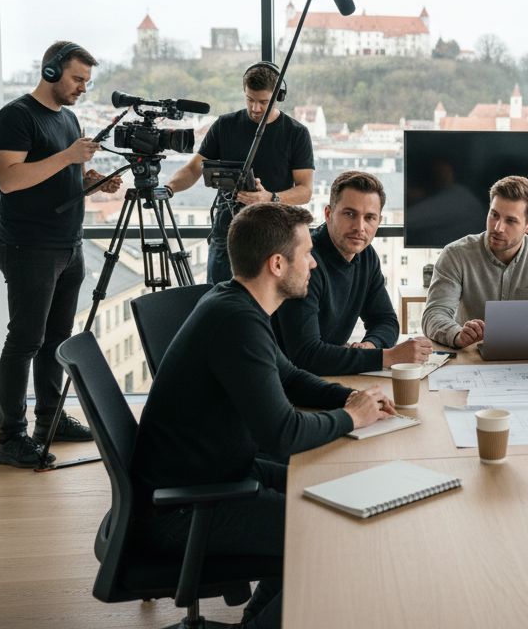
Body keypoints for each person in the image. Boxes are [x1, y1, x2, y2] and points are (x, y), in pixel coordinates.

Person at [131, 202, 393, 629]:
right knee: (330, 531)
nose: (313, 262)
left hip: (216, 472)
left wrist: (351, 398)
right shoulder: (237, 322)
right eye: (307, 253)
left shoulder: (234, 300)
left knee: (329, 494)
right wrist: (353, 419)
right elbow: (283, 434)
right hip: (181, 509)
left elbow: (289, 376)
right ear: (277, 264)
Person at [0, 40, 122, 468]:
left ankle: (50, 420)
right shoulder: (15, 116)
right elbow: (9, 179)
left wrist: (94, 181)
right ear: (50, 72)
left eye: (87, 80)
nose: (83, 87)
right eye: (77, 78)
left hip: (68, 244)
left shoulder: (69, 117)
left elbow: (67, 175)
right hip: (28, 246)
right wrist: (68, 155)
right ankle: (11, 438)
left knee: (56, 340)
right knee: (25, 340)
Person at [165, 61, 313, 284]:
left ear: (278, 96)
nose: (255, 108)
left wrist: (270, 198)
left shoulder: (296, 133)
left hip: (274, 237)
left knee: (270, 309)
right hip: (226, 233)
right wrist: (168, 188)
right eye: (250, 100)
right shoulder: (224, 125)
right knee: (220, 302)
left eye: (263, 102)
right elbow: (194, 168)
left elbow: (305, 191)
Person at [273, 171, 432, 374]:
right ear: (328, 214)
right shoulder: (305, 260)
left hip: (326, 377)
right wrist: (388, 356)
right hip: (286, 382)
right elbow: (306, 355)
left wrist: (370, 346)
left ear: (379, 221)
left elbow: (385, 321)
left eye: (369, 218)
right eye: (350, 214)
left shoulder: (366, 256)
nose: (360, 227)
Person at [421, 175, 528, 349]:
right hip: (471, 354)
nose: (498, 227)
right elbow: (434, 314)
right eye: (494, 215)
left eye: (510, 221)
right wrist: (456, 334)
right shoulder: (456, 254)